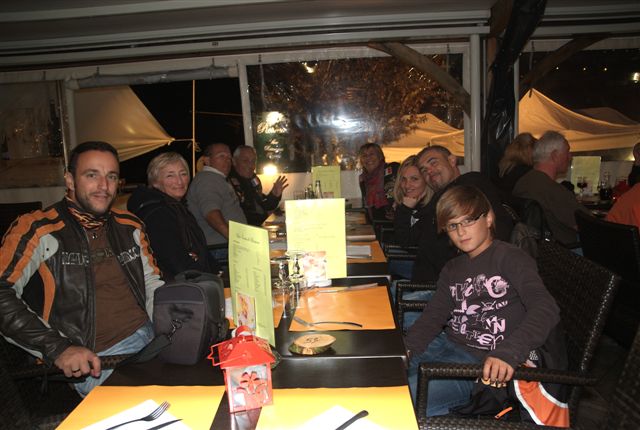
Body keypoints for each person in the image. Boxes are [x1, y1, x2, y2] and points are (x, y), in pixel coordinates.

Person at [0, 141, 164, 397]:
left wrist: (174, 324)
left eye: (111, 176)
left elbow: (152, 283)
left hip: (153, 340)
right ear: (70, 180)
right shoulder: (37, 228)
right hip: (99, 359)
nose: (104, 186)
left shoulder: (129, 225)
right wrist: (58, 348)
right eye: (92, 175)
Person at [404, 185, 561, 417]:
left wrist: (508, 352)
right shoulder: (452, 268)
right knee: (383, 378)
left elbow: (546, 307)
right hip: (445, 345)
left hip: (480, 365)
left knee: (403, 401)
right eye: (453, 226)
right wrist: (407, 348)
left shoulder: (510, 257)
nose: (461, 232)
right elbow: (433, 316)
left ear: (488, 218)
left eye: (468, 221)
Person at [407, 145, 513, 282]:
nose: (429, 171)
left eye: (433, 163)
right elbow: (409, 239)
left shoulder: (471, 186)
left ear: (452, 160)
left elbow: (498, 231)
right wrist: (405, 208)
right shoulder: (437, 200)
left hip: (447, 286)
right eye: (424, 170)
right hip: (430, 282)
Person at [128, 152, 220, 279]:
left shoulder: (176, 207)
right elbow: (176, 263)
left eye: (183, 174)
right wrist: (211, 277)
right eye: (170, 176)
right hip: (176, 286)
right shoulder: (158, 214)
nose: (179, 181)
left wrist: (217, 271)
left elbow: (200, 250)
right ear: (155, 182)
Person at [513, 130, 590, 246]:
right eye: (567, 152)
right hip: (564, 251)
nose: (570, 157)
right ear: (554, 156)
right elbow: (588, 224)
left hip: (536, 248)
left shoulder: (523, 181)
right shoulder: (553, 190)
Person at [187, 142, 247, 263]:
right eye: (221, 156)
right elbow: (211, 214)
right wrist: (236, 241)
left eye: (229, 157)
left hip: (226, 246)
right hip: (221, 249)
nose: (227, 160)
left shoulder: (217, 179)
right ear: (207, 160)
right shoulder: (207, 180)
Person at [391, 155, 432, 280]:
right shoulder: (411, 202)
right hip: (413, 260)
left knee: (380, 260)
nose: (407, 185)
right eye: (403, 179)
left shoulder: (432, 208)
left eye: (414, 179)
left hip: (427, 271)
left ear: (427, 180)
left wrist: (404, 210)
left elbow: (405, 243)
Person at [228, 145, 288, 226]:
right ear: (234, 161)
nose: (251, 165)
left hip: (260, 225)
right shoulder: (229, 184)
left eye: (253, 161)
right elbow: (241, 215)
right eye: (245, 161)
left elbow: (263, 205)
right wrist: (267, 218)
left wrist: (274, 195)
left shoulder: (254, 179)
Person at [358, 143, 399, 222]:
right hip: (375, 224)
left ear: (380, 156)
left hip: (395, 223)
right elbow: (366, 205)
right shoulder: (363, 179)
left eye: (371, 154)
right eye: (364, 155)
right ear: (361, 161)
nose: (368, 158)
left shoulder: (392, 169)